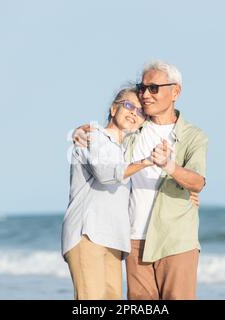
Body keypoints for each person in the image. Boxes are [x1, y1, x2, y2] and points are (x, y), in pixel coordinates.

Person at [73, 60, 208, 300]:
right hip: (133, 240)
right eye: (142, 87)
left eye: (153, 88)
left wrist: (170, 167)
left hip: (175, 239)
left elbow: (198, 182)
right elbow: (108, 137)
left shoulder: (193, 136)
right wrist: (82, 130)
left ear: (175, 91)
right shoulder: (134, 130)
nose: (145, 95)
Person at [61, 86, 153, 300]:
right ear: (113, 109)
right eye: (129, 106)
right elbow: (106, 173)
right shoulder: (94, 136)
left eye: (140, 112)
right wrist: (146, 161)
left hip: (114, 240)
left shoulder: (126, 149)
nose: (134, 113)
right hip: (88, 233)